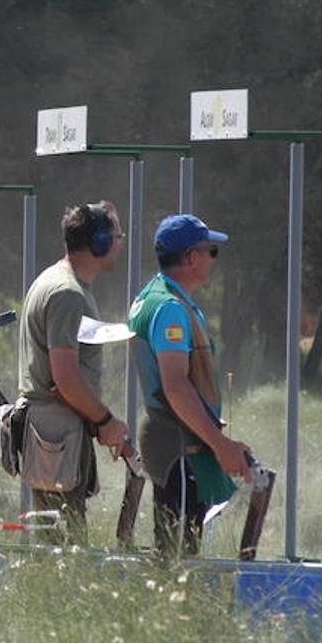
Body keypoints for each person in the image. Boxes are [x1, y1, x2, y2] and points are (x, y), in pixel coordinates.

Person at [128, 213, 253, 556]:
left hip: (174, 440)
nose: (213, 260)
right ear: (191, 257)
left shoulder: (155, 296)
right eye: (210, 251)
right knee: (177, 559)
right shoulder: (170, 307)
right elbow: (176, 387)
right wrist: (220, 445)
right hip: (181, 446)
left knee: (174, 551)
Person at [15, 202, 131, 544]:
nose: (120, 243)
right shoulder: (68, 293)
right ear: (98, 242)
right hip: (58, 430)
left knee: (59, 534)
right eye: (116, 236)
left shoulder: (61, 283)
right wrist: (106, 420)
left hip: (59, 427)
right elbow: (65, 378)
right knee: (63, 540)